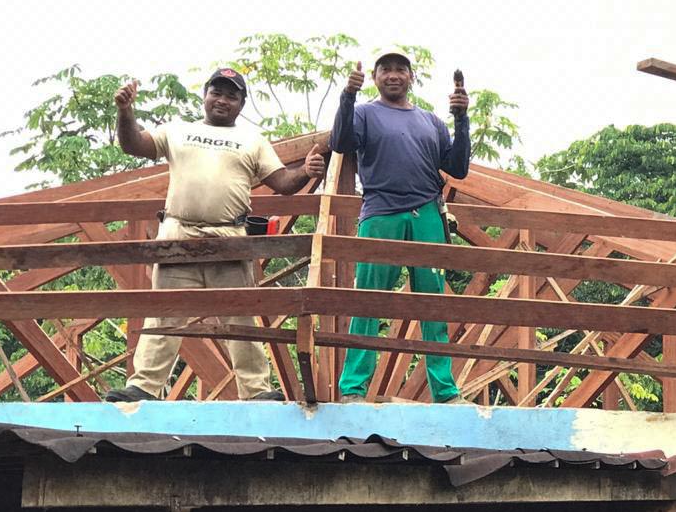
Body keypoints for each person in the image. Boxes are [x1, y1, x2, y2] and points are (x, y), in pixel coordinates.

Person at [103, 67, 327, 402]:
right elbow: (134, 144)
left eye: (231, 95)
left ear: (241, 104)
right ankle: (145, 387)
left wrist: (305, 172)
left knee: (240, 313)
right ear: (205, 95)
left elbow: (282, 184)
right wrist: (125, 111)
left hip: (229, 237)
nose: (222, 100)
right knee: (165, 311)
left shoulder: (252, 140)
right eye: (216, 92)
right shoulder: (177, 130)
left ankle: (255, 391)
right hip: (179, 234)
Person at [330, 52, 471, 403]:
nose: (393, 75)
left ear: (411, 77)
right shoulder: (365, 112)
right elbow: (340, 143)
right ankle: (352, 389)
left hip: (426, 214)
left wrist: (461, 117)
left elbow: (458, 167)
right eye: (385, 70)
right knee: (369, 302)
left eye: (400, 70)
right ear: (375, 78)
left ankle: (446, 393)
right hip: (381, 213)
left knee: (432, 305)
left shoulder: (431, 122)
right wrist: (347, 97)